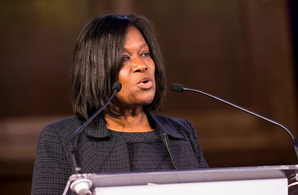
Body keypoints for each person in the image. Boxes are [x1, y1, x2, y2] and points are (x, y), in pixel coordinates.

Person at [31, 14, 208, 195]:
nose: (141, 65)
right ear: (98, 69)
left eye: (145, 54)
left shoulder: (181, 133)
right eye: (124, 58)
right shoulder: (64, 139)